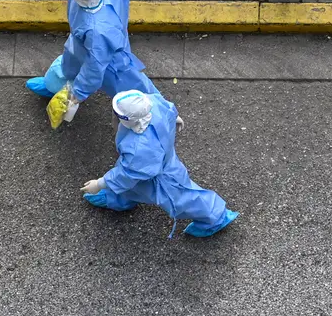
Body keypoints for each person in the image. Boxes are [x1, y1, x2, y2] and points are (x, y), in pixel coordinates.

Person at [80, 89, 238, 238]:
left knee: (181, 199)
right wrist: (174, 117)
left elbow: (127, 173)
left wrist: (101, 183)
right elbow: (167, 109)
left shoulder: (139, 148)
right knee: (135, 185)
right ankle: (119, 198)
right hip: (152, 164)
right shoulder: (152, 103)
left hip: (162, 177)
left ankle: (216, 216)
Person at [25, 0, 158, 128]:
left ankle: (158, 113)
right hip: (88, 45)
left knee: (132, 90)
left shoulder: (98, 32)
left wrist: (77, 94)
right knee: (68, 66)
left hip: (111, 61)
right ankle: (52, 84)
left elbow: (94, 68)